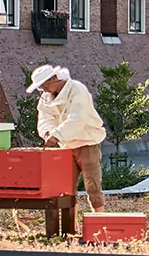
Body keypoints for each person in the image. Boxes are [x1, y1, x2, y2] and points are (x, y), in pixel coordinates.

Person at [26, 64, 106, 230]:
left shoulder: (78, 90)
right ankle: (71, 228)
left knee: (93, 187)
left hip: (87, 142)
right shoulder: (45, 99)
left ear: (54, 79)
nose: (44, 90)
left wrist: (57, 135)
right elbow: (44, 119)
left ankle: (99, 225)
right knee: (66, 189)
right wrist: (47, 133)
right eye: (41, 88)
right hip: (65, 147)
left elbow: (78, 118)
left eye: (45, 86)